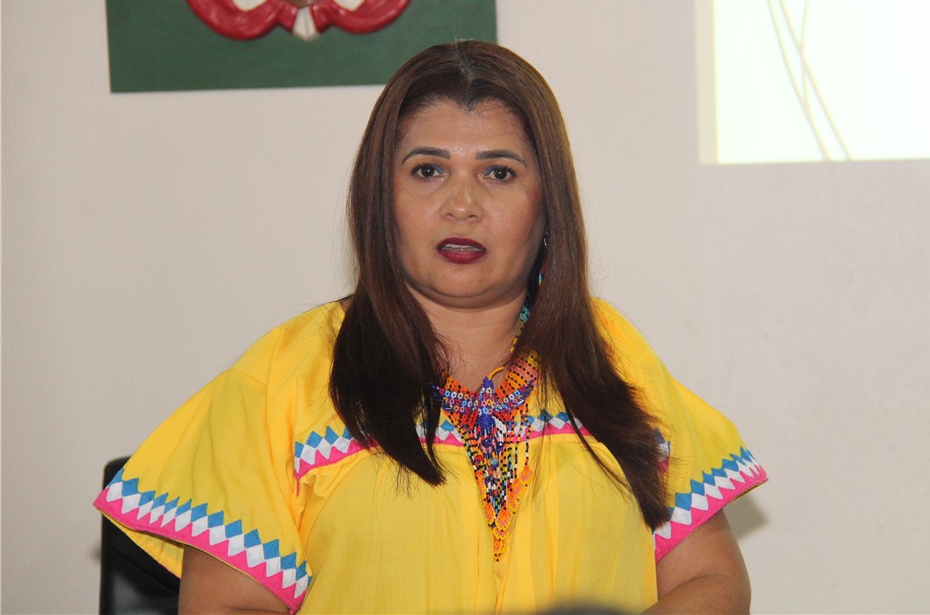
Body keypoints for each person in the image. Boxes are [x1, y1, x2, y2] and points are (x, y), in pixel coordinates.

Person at [95, 40, 766, 614]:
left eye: (498, 172)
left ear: (547, 206)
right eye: (428, 170)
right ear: (380, 197)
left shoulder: (611, 354)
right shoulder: (283, 376)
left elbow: (710, 581)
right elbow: (229, 605)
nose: (462, 204)